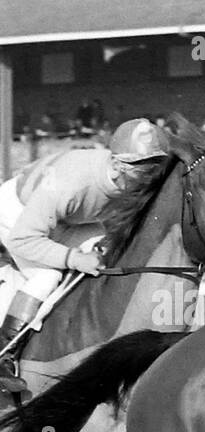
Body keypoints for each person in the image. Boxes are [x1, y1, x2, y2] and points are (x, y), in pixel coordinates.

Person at [0, 118, 169, 392]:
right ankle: (5, 353)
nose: (152, 178)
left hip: (74, 218)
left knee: (110, 255)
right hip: (18, 212)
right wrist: (73, 258)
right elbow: (23, 239)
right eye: (144, 169)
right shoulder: (71, 185)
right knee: (46, 275)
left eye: (156, 167)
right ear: (117, 165)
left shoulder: (126, 176)